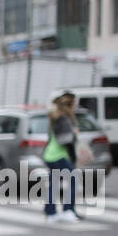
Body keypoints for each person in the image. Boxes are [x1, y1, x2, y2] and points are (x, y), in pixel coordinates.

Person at [44, 92, 81, 223]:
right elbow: (64, 140)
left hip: (50, 155)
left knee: (54, 184)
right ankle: (67, 210)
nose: (76, 107)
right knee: (74, 179)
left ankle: (51, 213)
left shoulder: (58, 117)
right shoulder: (63, 118)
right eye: (75, 104)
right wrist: (74, 134)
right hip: (58, 156)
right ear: (69, 105)